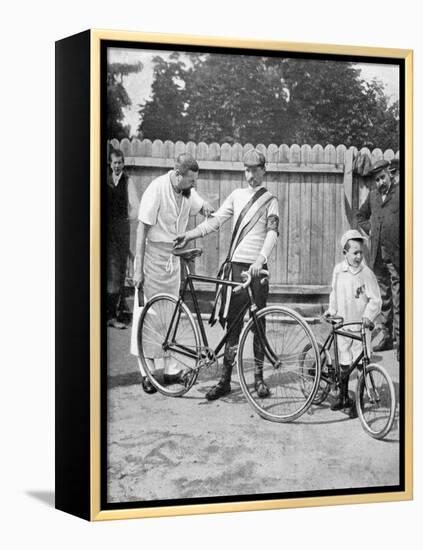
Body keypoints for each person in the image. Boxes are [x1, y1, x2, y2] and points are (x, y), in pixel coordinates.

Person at [174, 149, 279, 401]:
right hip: (235, 269)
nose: (250, 174)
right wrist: (190, 234)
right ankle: (225, 380)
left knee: (259, 325)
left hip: (257, 270)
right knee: (232, 325)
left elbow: (273, 233)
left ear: (264, 170)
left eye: (255, 170)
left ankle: (259, 378)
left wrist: (260, 260)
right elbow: (216, 220)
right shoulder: (236, 195)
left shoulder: (270, 199)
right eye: (247, 169)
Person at [132, 153, 213, 394]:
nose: (193, 185)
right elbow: (141, 230)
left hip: (173, 259)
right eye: (190, 180)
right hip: (153, 258)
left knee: (172, 314)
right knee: (149, 315)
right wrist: (138, 270)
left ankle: (170, 369)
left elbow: (203, 206)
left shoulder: (187, 190)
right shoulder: (156, 189)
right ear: (177, 175)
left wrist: (210, 209)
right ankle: (146, 371)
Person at [324, 229, 382, 418]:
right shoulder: (339, 271)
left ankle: (358, 402)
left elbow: (376, 300)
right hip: (343, 324)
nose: (358, 256)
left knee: (360, 364)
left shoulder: (366, 274)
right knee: (344, 362)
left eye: (360, 253)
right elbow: (334, 292)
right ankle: (342, 397)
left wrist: (368, 316)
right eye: (354, 252)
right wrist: (332, 311)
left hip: (360, 327)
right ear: (345, 253)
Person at [356, 159, 400, 360]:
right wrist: (370, 230)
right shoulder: (373, 196)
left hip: (396, 255)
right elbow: (360, 216)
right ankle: (387, 336)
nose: (380, 183)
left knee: (399, 297)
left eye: (382, 178)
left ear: (389, 175)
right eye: (377, 180)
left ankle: (401, 342)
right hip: (377, 256)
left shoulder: (401, 193)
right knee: (384, 298)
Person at [106, 148, 139, 329]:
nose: (117, 166)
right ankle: (108, 314)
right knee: (107, 271)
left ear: (123, 164)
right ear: (110, 164)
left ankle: (114, 315)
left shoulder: (128, 181)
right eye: (114, 162)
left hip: (121, 231)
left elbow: (136, 207)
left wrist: (127, 218)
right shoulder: (104, 180)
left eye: (120, 162)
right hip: (106, 230)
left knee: (118, 271)